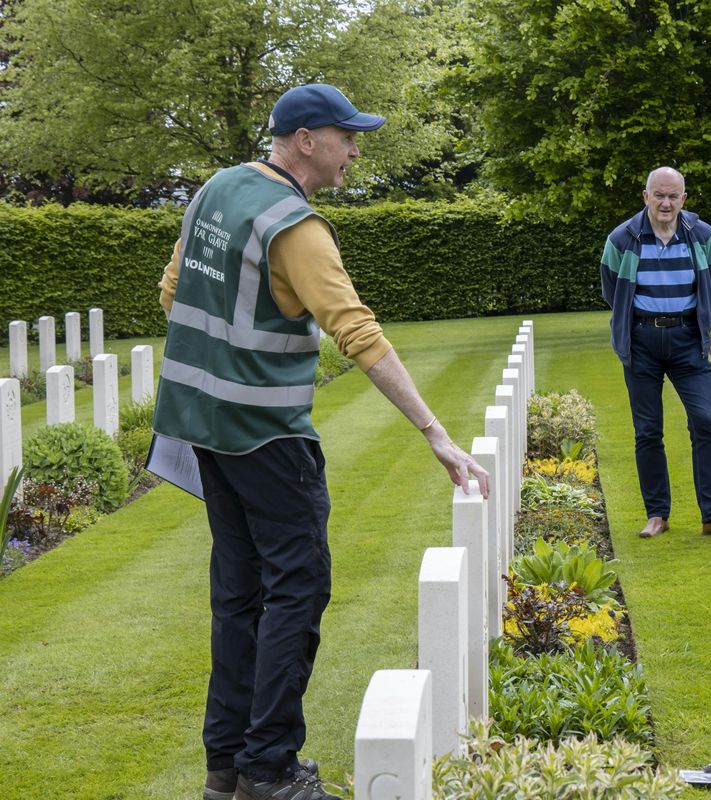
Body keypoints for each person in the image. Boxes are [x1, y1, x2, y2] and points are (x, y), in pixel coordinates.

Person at [152, 84, 489, 800]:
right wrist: (435, 433)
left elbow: (173, 290)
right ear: (306, 140)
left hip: (208, 433)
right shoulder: (295, 225)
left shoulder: (215, 190)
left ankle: (227, 769)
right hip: (268, 436)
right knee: (298, 589)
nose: (355, 150)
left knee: (238, 596)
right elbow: (357, 332)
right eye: (347, 136)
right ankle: (270, 769)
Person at [600, 166, 711, 540]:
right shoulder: (622, 239)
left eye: (673, 196)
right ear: (645, 196)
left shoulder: (701, 236)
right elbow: (611, 289)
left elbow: (709, 277)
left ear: (684, 199)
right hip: (641, 342)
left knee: (706, 421)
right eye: (659, 195)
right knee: (648, 430)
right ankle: (657, 515)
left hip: (687, 339)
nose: (666, 203)